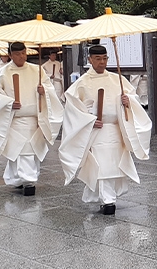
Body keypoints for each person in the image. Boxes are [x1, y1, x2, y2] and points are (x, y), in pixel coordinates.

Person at [60, 45, 151, 214]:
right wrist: (88, 121)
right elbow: (73, 108)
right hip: (96, 131)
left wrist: (127, 101)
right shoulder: (82, 83)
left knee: (114, 164)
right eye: (98, 59)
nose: (102, 62)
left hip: (115, 129)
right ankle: (108, 201)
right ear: (90, 60)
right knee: (102, 165)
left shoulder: (117, 80)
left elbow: (133, 97)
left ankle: (108, 197)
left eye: (104, 59)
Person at [0, 42, 63, 196]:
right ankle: (25, 180)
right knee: (19, 151)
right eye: (18, 54)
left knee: (30, 151)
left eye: (24, 53)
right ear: (11, 55)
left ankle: (23, 179)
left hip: (34, 119)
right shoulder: (2, 73)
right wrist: (8, 103)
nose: (21, 57)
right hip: (15, 120)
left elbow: (49, 88)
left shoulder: (37, 70)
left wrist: (44, 91)